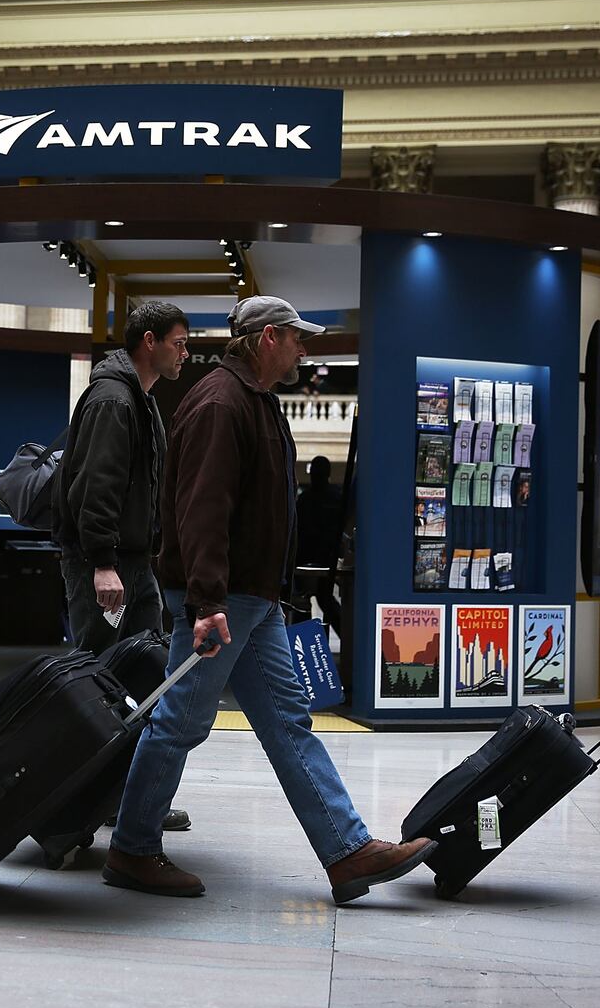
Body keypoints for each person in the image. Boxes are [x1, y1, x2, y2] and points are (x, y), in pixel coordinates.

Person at [103, 295, 436, 903]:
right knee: (179, 721)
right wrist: (207, 602)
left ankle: (347, 851)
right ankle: (131, 847)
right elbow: (202, 509)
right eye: (295, 338)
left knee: (287, 722)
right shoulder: (221, 403)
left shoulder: (252, 402)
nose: (303, 349)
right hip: (224, 596)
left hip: (251, 599)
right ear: (265, 340)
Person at [52, 300, 191, 832]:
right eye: (178, 343)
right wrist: (102, 563)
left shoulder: (140, 398)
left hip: (134, 564)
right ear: (149, 341)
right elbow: (97, 486)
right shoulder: (115, 399)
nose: (185, 353)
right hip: (107, 566)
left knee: (144, 677)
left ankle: (126, 798)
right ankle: (75, 798)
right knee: (96, 682)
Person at [293, 455, 344, 634]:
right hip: (326, 559)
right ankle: (347, 637)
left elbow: (297, 531)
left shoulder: (305, 500)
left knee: (301, 603)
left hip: (306, 559)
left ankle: (304, 645)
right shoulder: (337, 498)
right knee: (324, 601)